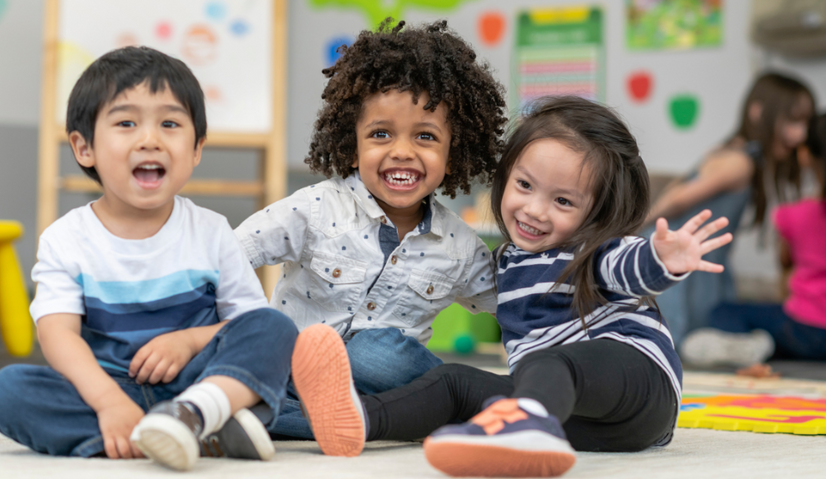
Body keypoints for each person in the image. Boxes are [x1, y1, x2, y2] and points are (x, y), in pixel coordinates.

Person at [287, 96, 734, 475]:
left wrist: (662, 260)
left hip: (638, 387)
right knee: (454, 383)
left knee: (555, 362)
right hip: (571, 417)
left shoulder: (589, 251)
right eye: (524, 185)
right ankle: (357, 421)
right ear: (504, 180)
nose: (535, 210)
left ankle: (526, 428)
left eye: (562, 201)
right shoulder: (504, 262)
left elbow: (629, 266)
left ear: (595, 214)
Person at [0, 46, 303, 472]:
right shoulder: (66, 238)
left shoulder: (211, 231)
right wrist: (109, 402)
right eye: (126, 123)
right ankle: (178, 434)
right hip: (111, 388)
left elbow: (245, 324)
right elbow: (58, 335)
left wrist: (188, 341)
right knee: (8, 392)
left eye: (170, 124)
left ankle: (193, 417)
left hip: (198, 381)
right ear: (84, 148)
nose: (149, 139)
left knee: (275, 325)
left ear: (196, 149)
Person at [234, 19, 508, 439]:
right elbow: (229, 255)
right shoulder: (315, 208)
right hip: (289, 376)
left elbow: (513, 310)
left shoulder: (460, 248)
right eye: (381, 134)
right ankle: (343, 421)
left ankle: (465, 404)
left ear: (453, 154)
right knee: (250, 387)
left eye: (425, 137)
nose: (402, 151)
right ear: (353, 143)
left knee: (374, 353)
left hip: (384, 382)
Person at [646, 72, 814, 347]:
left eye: (805, 123)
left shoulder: (735, 152)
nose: (800, 134)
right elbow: (678, 197)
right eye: (793, 121)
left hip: (696, 260)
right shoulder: (740, 162)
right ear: (758, 112)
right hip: (678, 259)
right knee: (679, 342)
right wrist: (631, 227)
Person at [681, 112, 826, 367]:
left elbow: (785, 264)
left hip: (803, 329)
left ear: (805, 155)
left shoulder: (794, 215)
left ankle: (760, 346)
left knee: (723, 311)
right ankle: (766, 346)